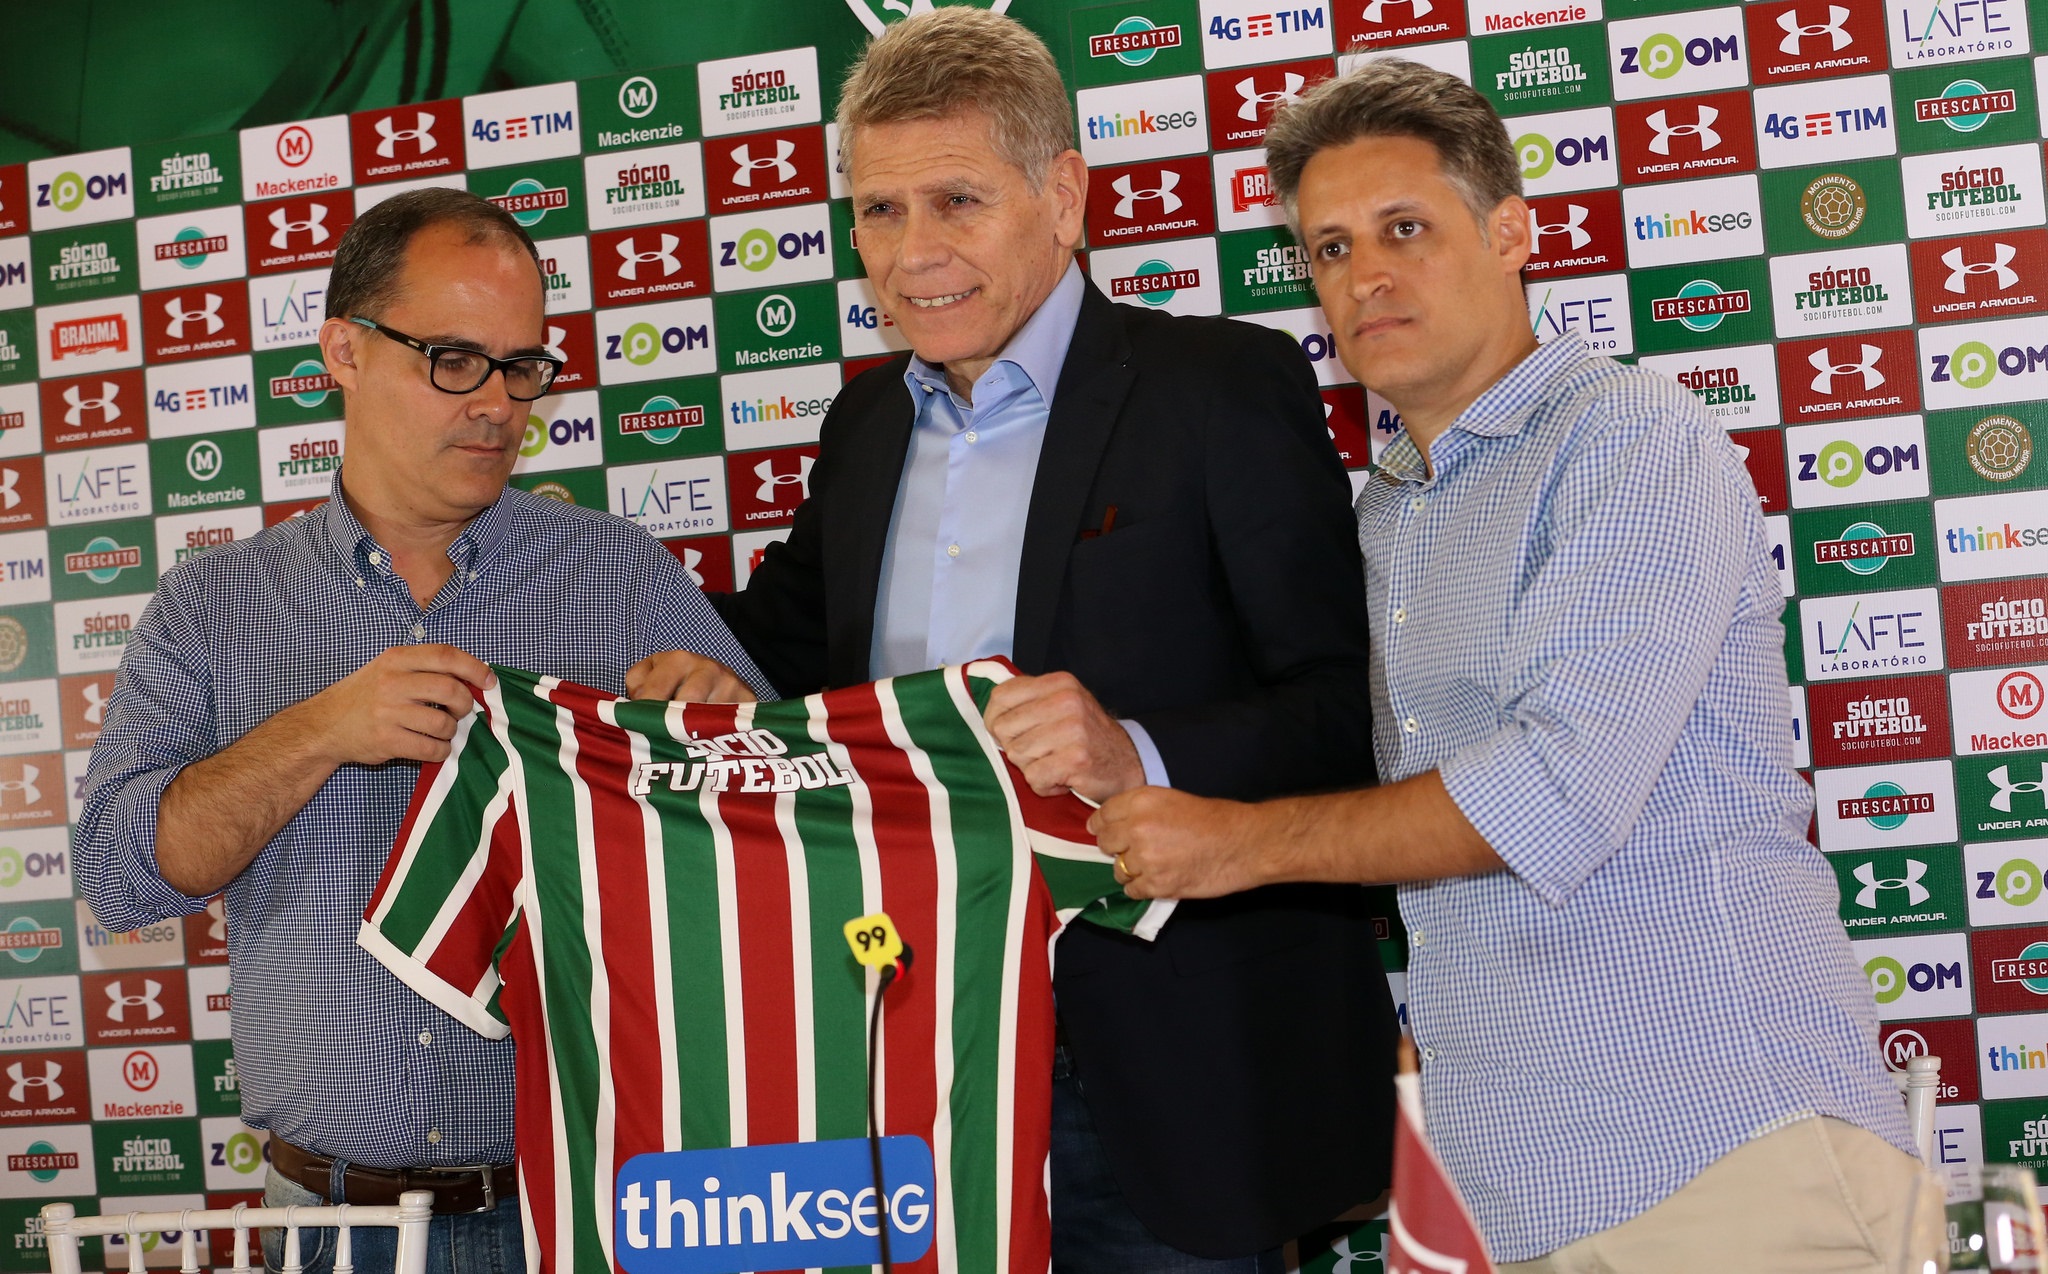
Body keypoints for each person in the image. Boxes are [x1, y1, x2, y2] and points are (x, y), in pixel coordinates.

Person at [1089, 60, 1937, 1274]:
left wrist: (1235, 843)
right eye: (1328, 248)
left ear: (1509, 234)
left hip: (1729, 1156)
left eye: (1402, 228)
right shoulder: (1386, 515)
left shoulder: (1628, 438)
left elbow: (1552, 789)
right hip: (1513, 1187)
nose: (1363, 275)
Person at [634, 10, 1397, 1270]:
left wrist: (1135, 749)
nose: (913, 253)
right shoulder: (864, 427)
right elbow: (777, 653)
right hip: (899, 1060)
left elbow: (1345, 708)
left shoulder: (1219, 387)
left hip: (1154, 1081)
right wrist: (710, 679)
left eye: (956, 201)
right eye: (879, 212)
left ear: (1063, 197)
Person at [74, 187, 771, 1274]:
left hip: (582, 1207)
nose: (497, 403)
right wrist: (318, 731)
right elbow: (119, 880)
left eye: (522, 366)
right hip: (326, 1224)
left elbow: (785, 849)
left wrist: (727, 738)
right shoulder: (212, 605)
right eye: (454, 359)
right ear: (343, 351)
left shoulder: (620, 574)